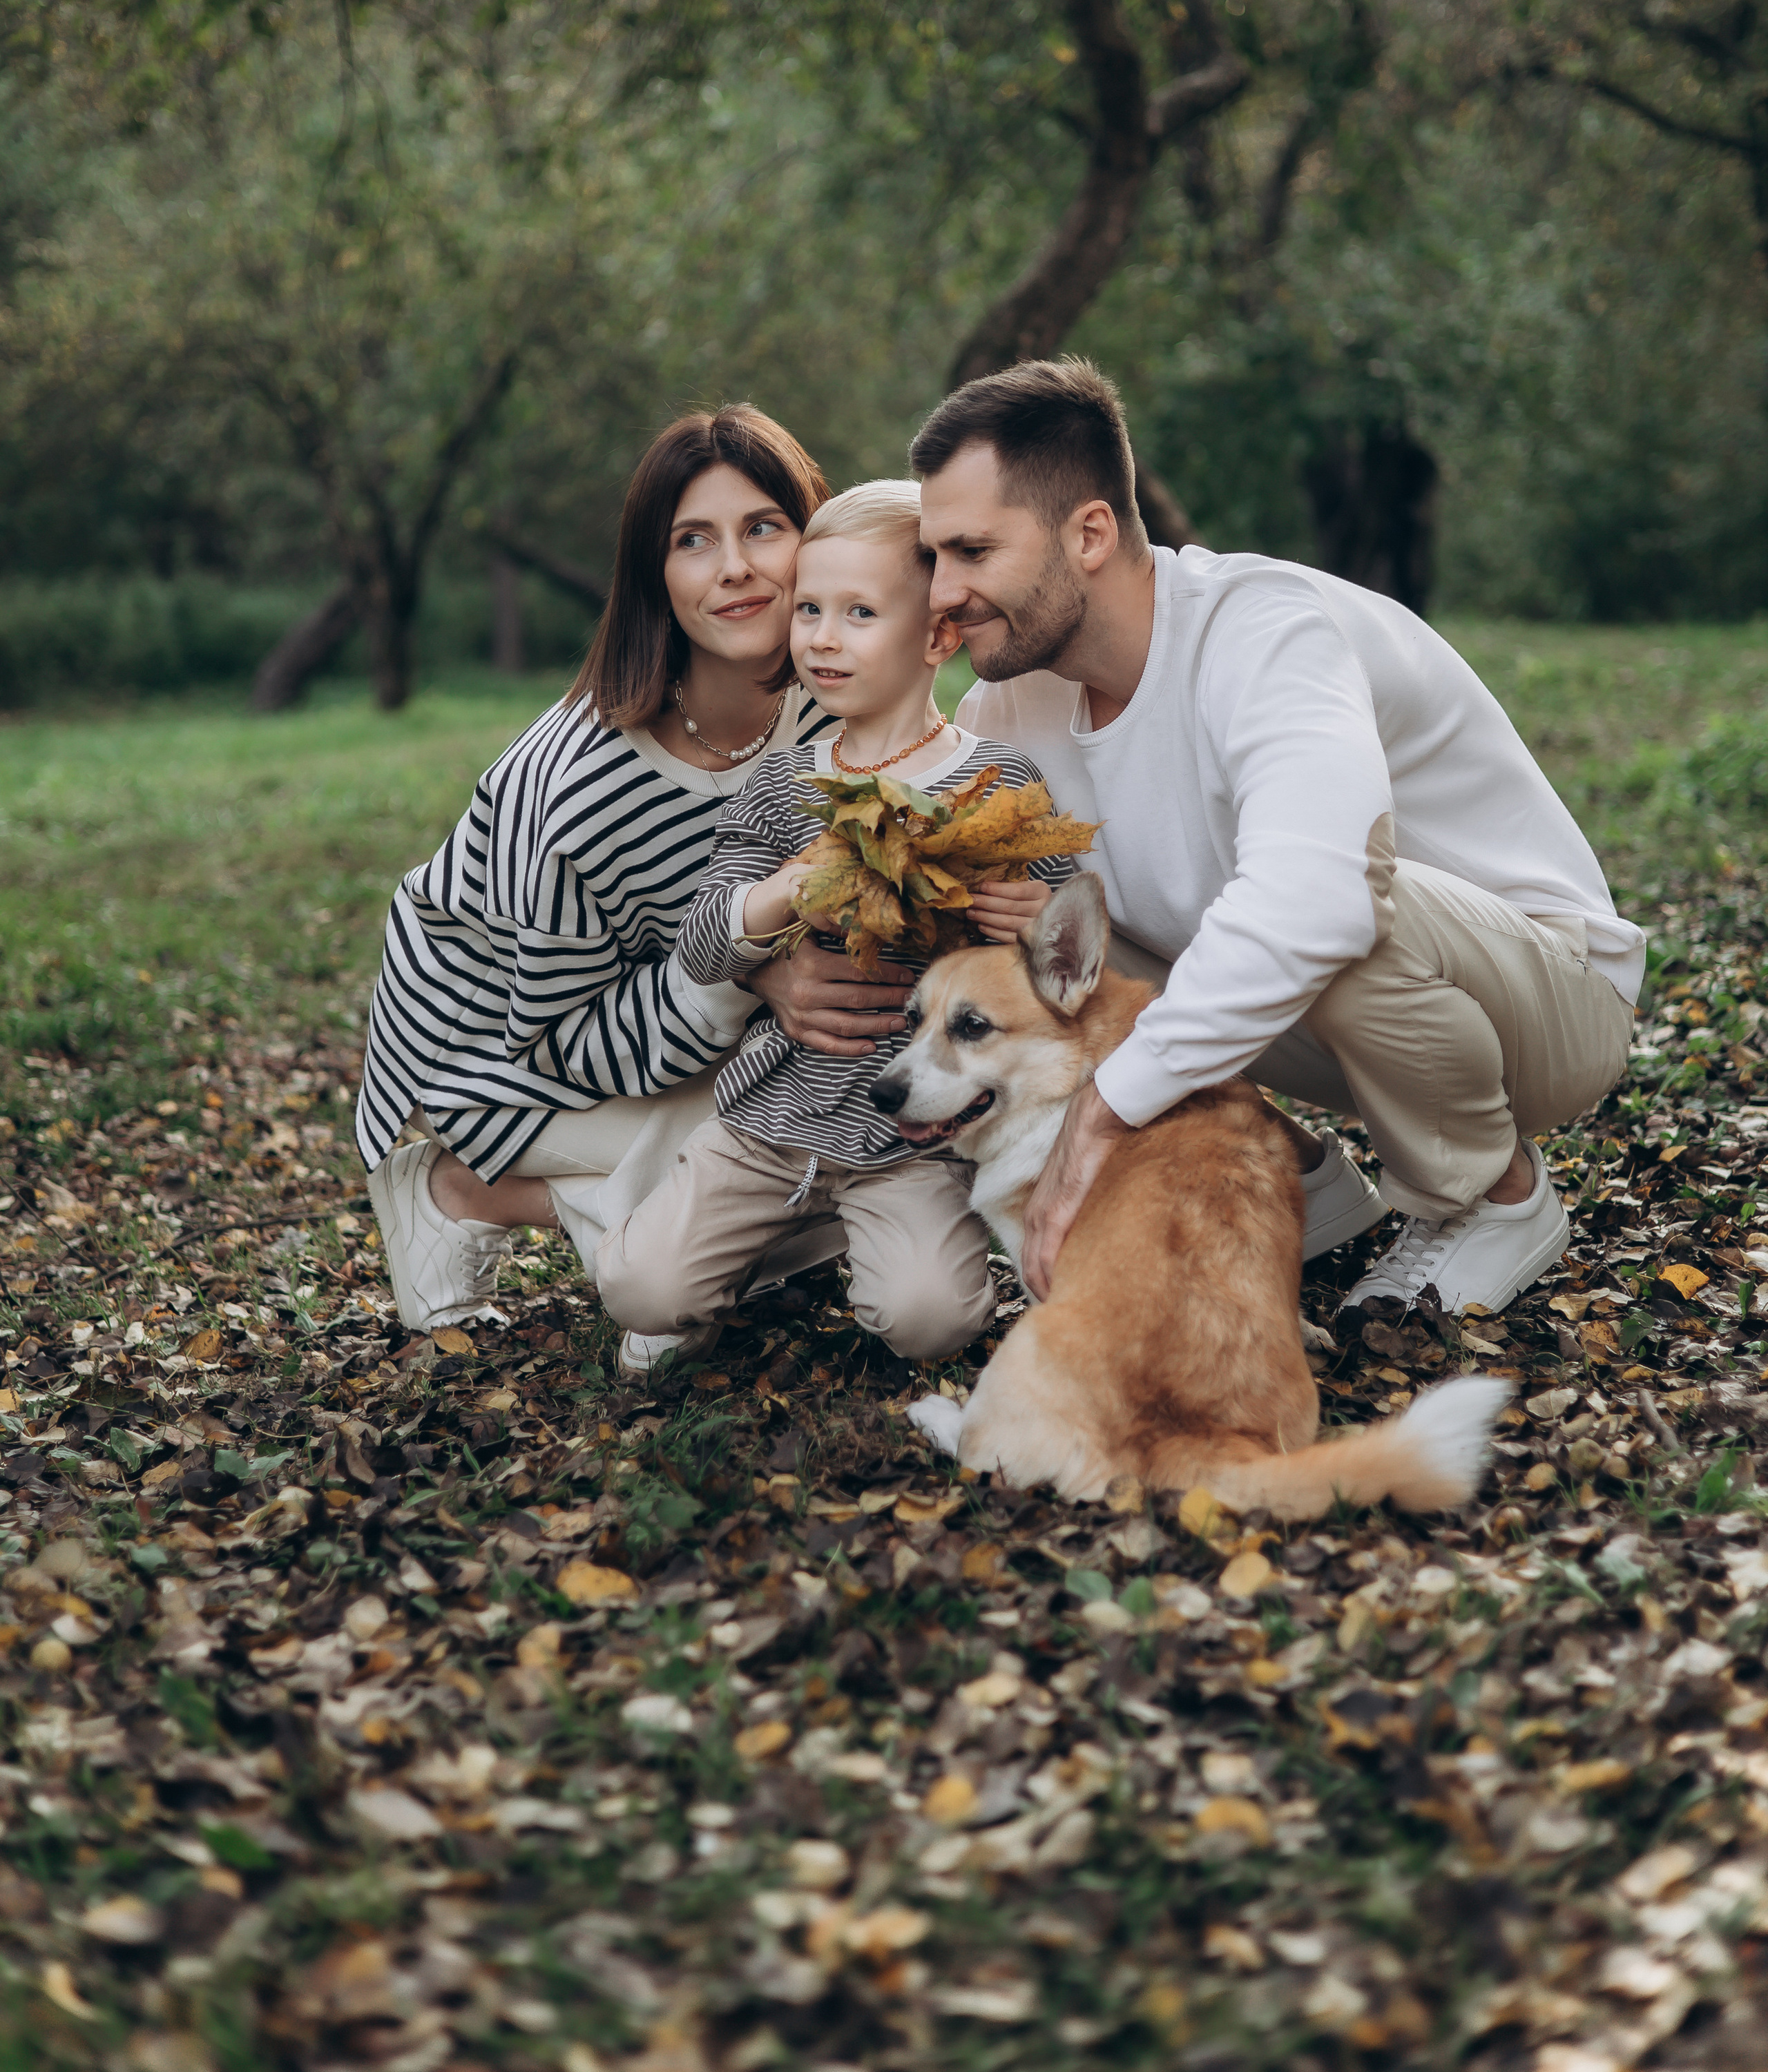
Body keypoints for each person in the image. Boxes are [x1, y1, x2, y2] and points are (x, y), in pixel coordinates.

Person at [912, 357, 1643, 1319]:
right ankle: (1302, 1176)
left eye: (971, 552)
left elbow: (1323, 898)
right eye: (932, 559)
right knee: (1036, 922)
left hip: (1545, 1002)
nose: (941, 593)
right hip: (1349, 1030)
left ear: (1089, 532)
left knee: (1334, 898)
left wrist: (1105, 1109)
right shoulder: (1015, 699)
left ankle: (1494, 1197)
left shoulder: (1263, 631)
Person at [358, 404, 876, 1333]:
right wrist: (756, 972)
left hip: (676, 1008)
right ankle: (462, 1190)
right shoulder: (584, 789)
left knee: (838, 1116)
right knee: (783, 1156)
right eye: (693, 541)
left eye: (765, 527)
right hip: (499, 1054)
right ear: (654, 578)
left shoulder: (829, 701)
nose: (735, 569)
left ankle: (691, 1232)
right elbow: (561, 1039)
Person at [595, 481, 1076, 1375]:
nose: (821, 636)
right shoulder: (784, 787)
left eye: (858, 612)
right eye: (809, 609)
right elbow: (702, 943)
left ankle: (859, 1243)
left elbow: (1069, 954)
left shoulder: (998, 787)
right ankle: (720, 1250)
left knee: (931, 1321)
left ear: (936, 635)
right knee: (640, 1290)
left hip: (916, 1139)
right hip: (770, 1118)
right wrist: (785, 891)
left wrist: (1035, 920)